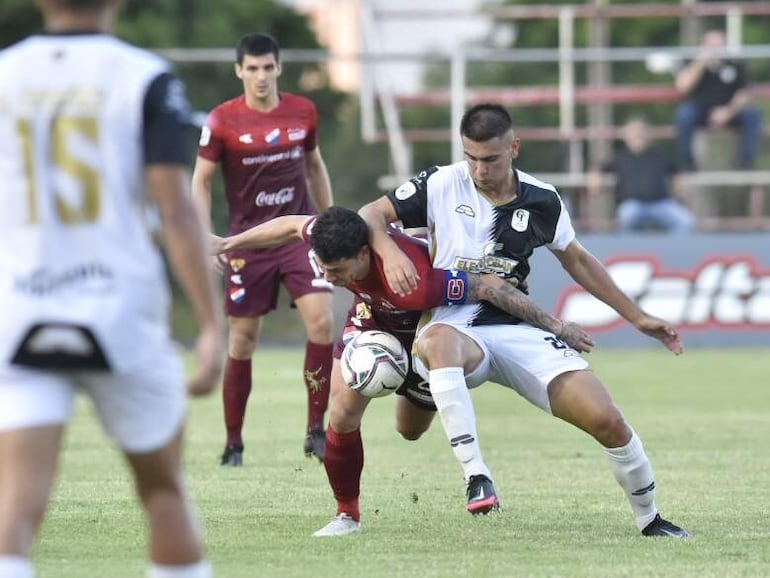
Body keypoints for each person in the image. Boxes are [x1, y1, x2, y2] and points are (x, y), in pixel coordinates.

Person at [359, 103, 690, 538]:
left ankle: (651, 519)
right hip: (452, 327)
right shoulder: (440, 182)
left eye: (491, 159)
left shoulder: (542, 200)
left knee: (607, 419)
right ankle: (476, 476)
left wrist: (638, 316)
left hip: (516, 328)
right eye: (471, 157)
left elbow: (579, 261)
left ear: (514, 148)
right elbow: (370, 215)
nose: (479, 169)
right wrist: (391, 252)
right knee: (418, 402)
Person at [0, 1, 225, 577]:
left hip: (22, 307)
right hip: (119, 312)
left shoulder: (7, 73)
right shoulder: (143, 78)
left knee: (16, 508)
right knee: (163, 491)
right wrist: (209, 324)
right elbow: (174, 209)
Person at [210, 206, 594, 536]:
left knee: (409, 430)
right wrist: (228, 243)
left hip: (424, 338)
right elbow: (292, 225)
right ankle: (347, 514)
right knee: (342, 413)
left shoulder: (414, 282)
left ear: (363, 254)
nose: (329, 279)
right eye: (324, 269)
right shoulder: (333, 237)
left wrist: (556, 327)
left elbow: (490, 288)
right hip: (370, 323)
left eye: (337, 270)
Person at [192, 33, 335, 466]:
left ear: (279, 68)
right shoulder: (221, 122)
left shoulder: (302, 112)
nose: (260, 76)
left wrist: (331, 225)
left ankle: (316, 430)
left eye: (267, 67)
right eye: (251, 68)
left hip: (297, 236)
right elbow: (200, 181)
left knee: (323, 323)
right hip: (247, 243)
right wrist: (204, 238)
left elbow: (314, 165)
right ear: (239, 71)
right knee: (244, 339)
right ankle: (234, 443)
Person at [674, 29, 762, 171]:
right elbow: (683, 86)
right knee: (684, 114)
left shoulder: (734, 62)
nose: (716, 50)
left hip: (729, 111)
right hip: (699, 110)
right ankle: (687, 162)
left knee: (752, 115)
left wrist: (728, 112)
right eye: (712, 45)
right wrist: (701, 63)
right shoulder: (690, 60)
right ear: (702, 46)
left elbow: (744, 93)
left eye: (720, 45)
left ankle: (746, 163)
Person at [587, 117, 694, 233]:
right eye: (635, 133)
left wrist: (680, 183)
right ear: (627, 137)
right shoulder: (620, 157)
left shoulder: (660, 155)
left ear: (649, 135)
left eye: (642, 132)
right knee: (626, 216)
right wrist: (595, 177)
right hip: (633, 205)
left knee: (686, 221)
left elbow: (677, 170)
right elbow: (599, 168)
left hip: (661, 203)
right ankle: (630, 250)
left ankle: (672, 249)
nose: (639, 136)